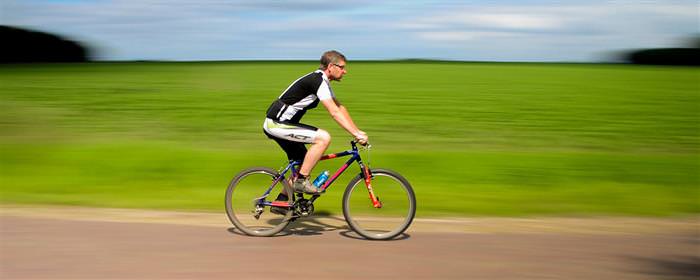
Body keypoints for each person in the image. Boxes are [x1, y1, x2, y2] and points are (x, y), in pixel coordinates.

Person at [263, 50, 368, 198]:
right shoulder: (318, 81)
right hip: (276, 124)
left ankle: (282, 201)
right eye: (342, 67)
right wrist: (355, 134)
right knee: (323, 138)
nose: (345, 71)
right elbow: (334, 112)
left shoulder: (323, 81)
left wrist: (358, 131)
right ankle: (301, 181)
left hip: (283, 124)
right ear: (331, 66)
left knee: (305, 163)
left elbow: (340, 108)